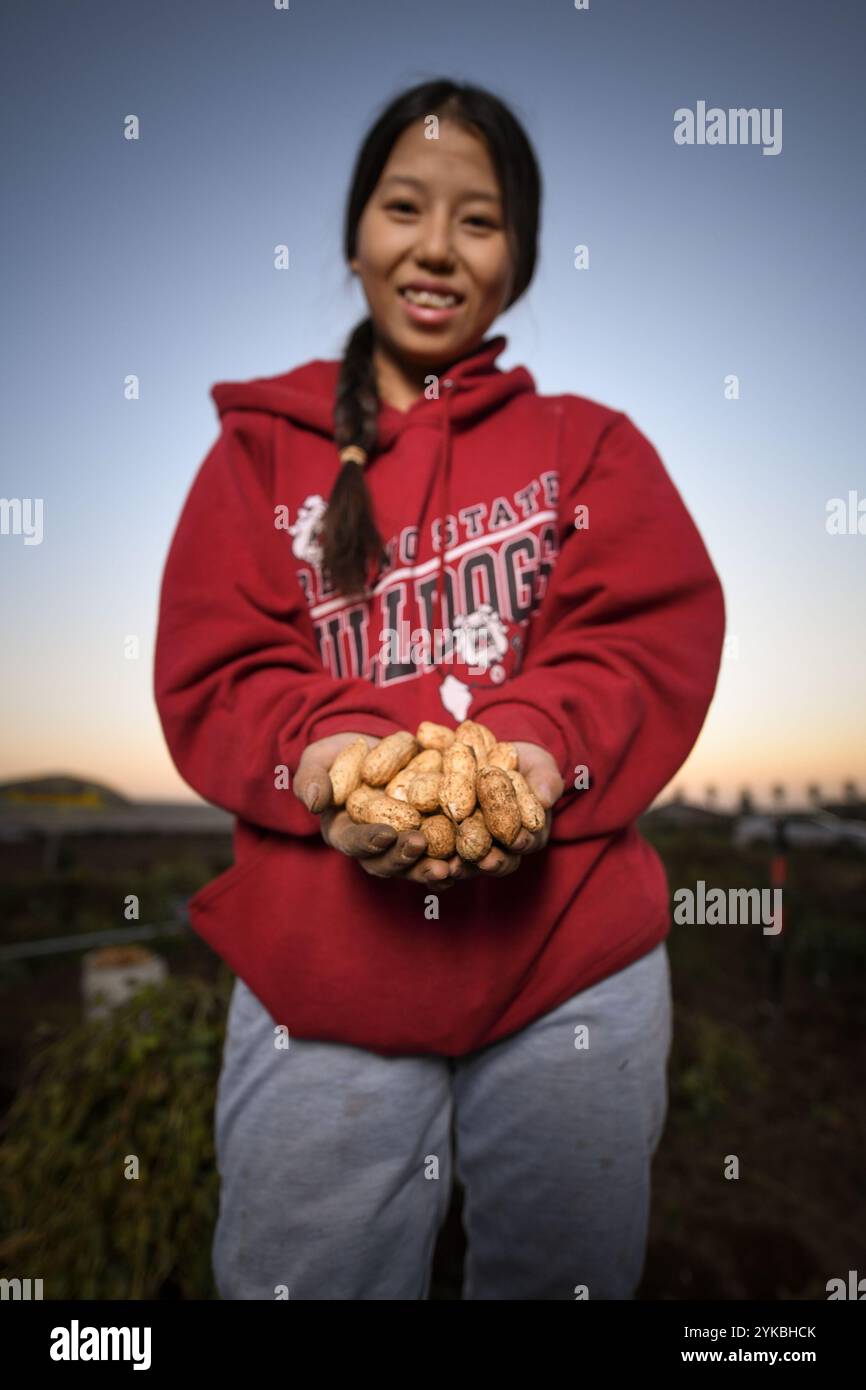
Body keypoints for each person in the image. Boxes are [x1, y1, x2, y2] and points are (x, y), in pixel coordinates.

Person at [153, 78, 725, 1300]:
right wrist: (322, 756)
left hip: (566, 959)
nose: (433, 247)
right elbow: (223, 661)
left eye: (478, 219)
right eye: (403, 206)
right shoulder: (257, 451)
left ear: (516, 255)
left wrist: (531, 751)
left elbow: (634, 646)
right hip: (327, 973)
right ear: (355, 232)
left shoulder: (590, 445)